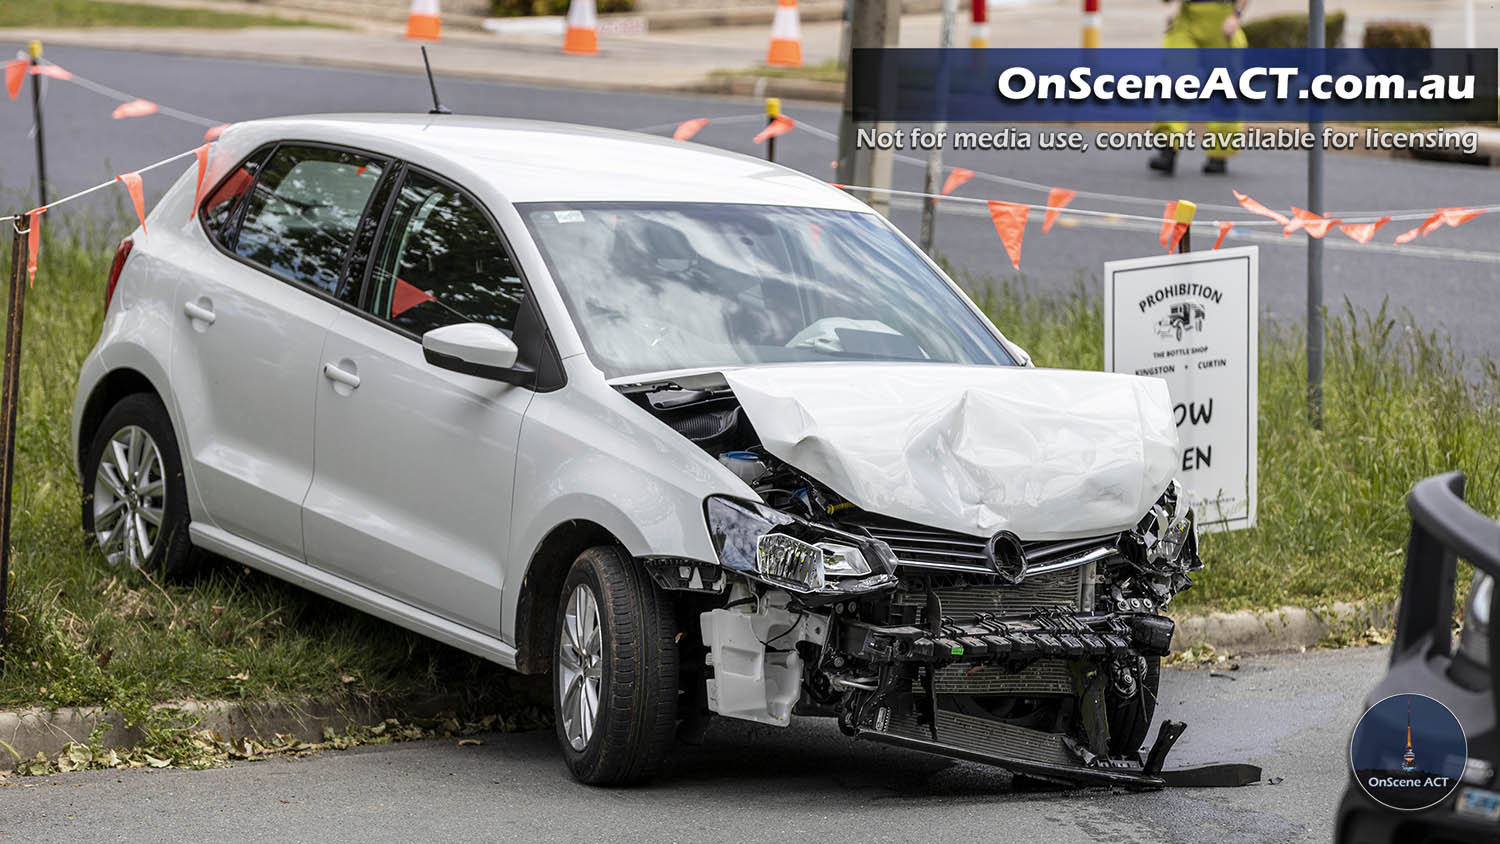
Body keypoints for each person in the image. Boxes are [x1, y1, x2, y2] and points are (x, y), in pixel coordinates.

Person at [1148, 0, 1248, 176]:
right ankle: (1168, 149)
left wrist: (1236, 15)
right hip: (1188, 17)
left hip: (1221, 17)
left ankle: (1219, 154)